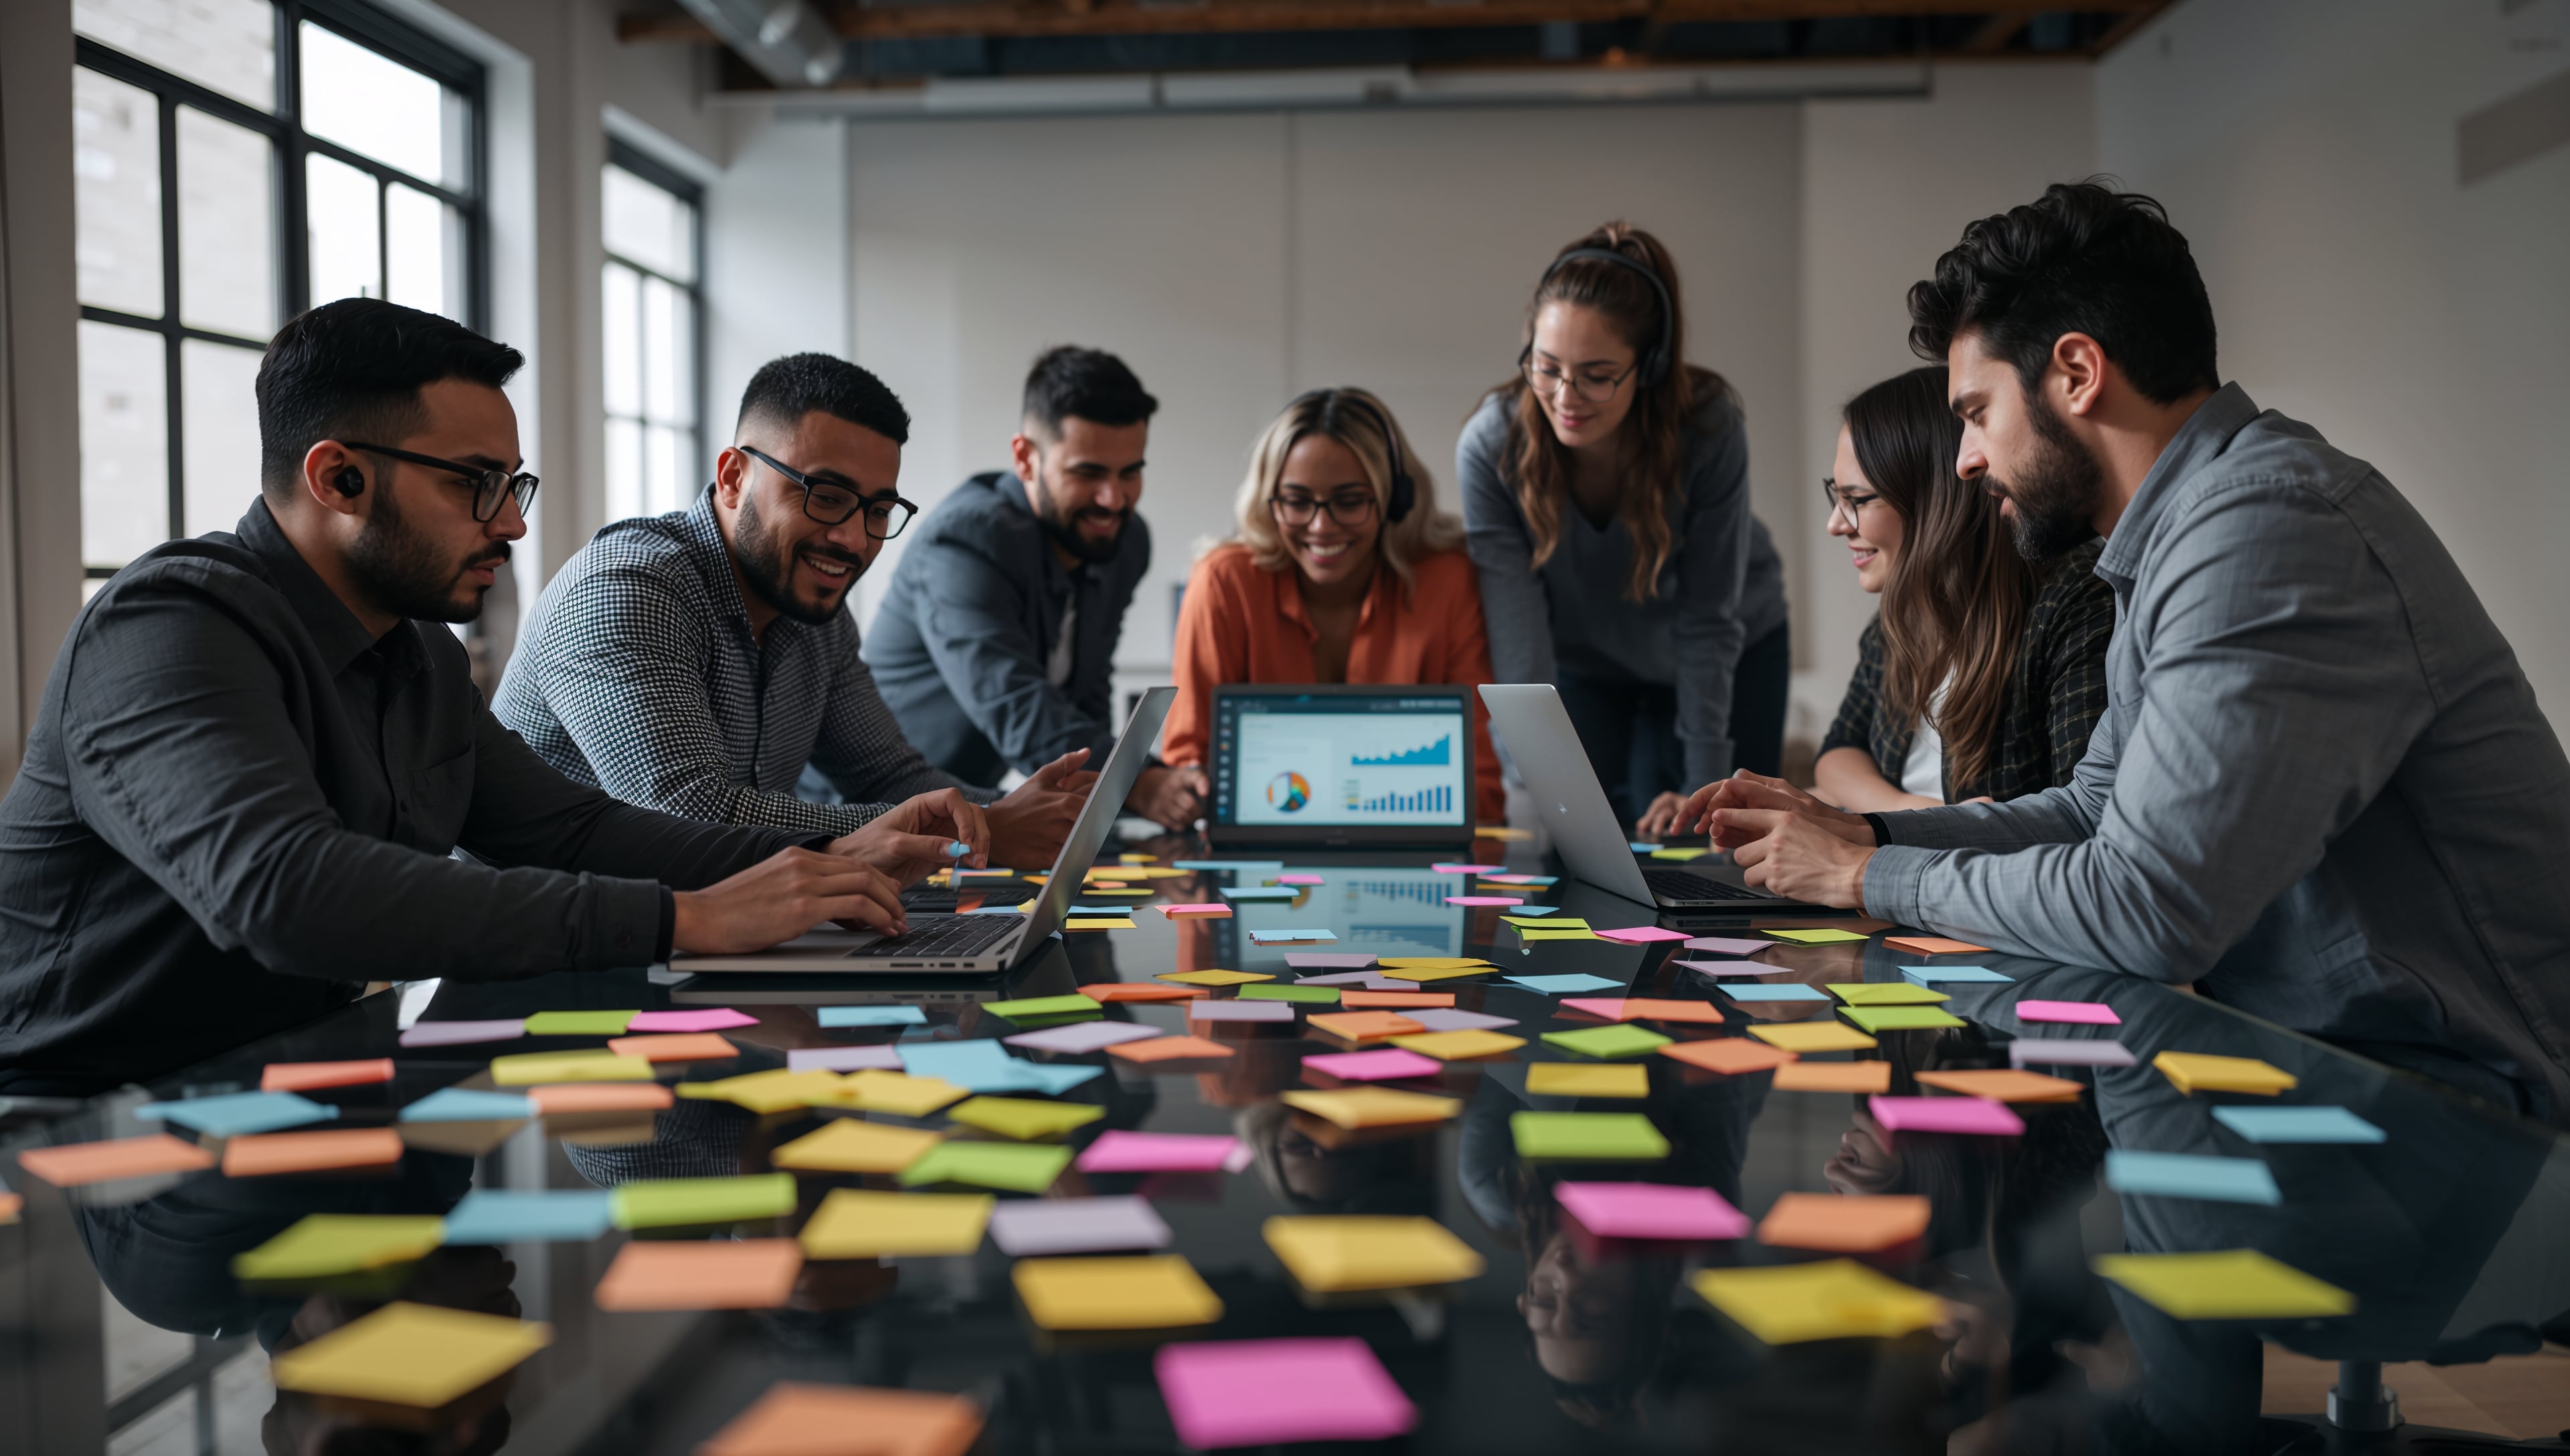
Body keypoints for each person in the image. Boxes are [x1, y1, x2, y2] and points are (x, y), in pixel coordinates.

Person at [1679, 182, 2570, 1123]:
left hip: (2469, 1110)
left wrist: (1859, 876)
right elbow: (2092, 811)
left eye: (1978, 414)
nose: (1968, 459)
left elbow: (2151, 907)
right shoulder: (2176, 538)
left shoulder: (2266, 528)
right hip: (2311, 1072)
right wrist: (1869, 832)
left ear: (2076, 372)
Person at [0, 301, 950, 1093]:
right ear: (339, 477)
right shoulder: (167, 626)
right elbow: (280, 888)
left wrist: (830, 856)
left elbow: (573, 832)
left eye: (513, 483)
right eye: (477, 486)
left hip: (287, 1090)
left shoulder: (415, 651)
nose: (512, 523)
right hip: (77, 1129)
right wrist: (685, 919)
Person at [495, 354, 1090, 869]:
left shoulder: (816, 614)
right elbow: (692, 812)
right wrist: (980, 829)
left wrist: (1028, 813)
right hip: (544, 964)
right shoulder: (629, 587)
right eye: (826, 498)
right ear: (734, 477)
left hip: (699, 935)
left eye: (877, 511)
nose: (854, 540)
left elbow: (888, 777)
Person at [1459, 222, 1789, 836]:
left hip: (1730, 647)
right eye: (1546, 366)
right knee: (1583, 846)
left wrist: (1704, 793)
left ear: (1652, 368)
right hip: (1587, 663)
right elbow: (1518, 640)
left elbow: (1708, 622)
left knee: (1719, 849)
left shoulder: (1710, 430)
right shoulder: (1490, 446)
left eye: (1597, 374)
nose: (1565, 395)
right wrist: (1538, 794)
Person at [867, 347, 1201, 830]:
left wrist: (1105, 791)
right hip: (867, 814)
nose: (1113, 500)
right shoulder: (965, 541)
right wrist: (1137, 781)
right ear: (1025, 458)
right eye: (1087, 473)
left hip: (968, 818)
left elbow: (1086, 693)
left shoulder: (1125, 542)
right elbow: (1015, 705)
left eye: (1131, 472)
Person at [1161, 389, 1507, 825]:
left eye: (1349, 501)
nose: (1321, 527)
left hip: (1411, 855)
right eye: (1297, 502)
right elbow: (1189, 766)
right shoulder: (1223, 583)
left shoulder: (1449, 582)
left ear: (1394, 501)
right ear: (1270, 501)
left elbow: (1480, 790)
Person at [1814, 366, 2115, 810]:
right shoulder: (1902, 615)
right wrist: (1909, 814)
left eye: (1857, 500)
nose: (1836, 524)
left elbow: (2082, 819)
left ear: (1937, 499)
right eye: (1835, 496)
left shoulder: (2076, 602)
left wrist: (1885, 825)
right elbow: (1838, 752)